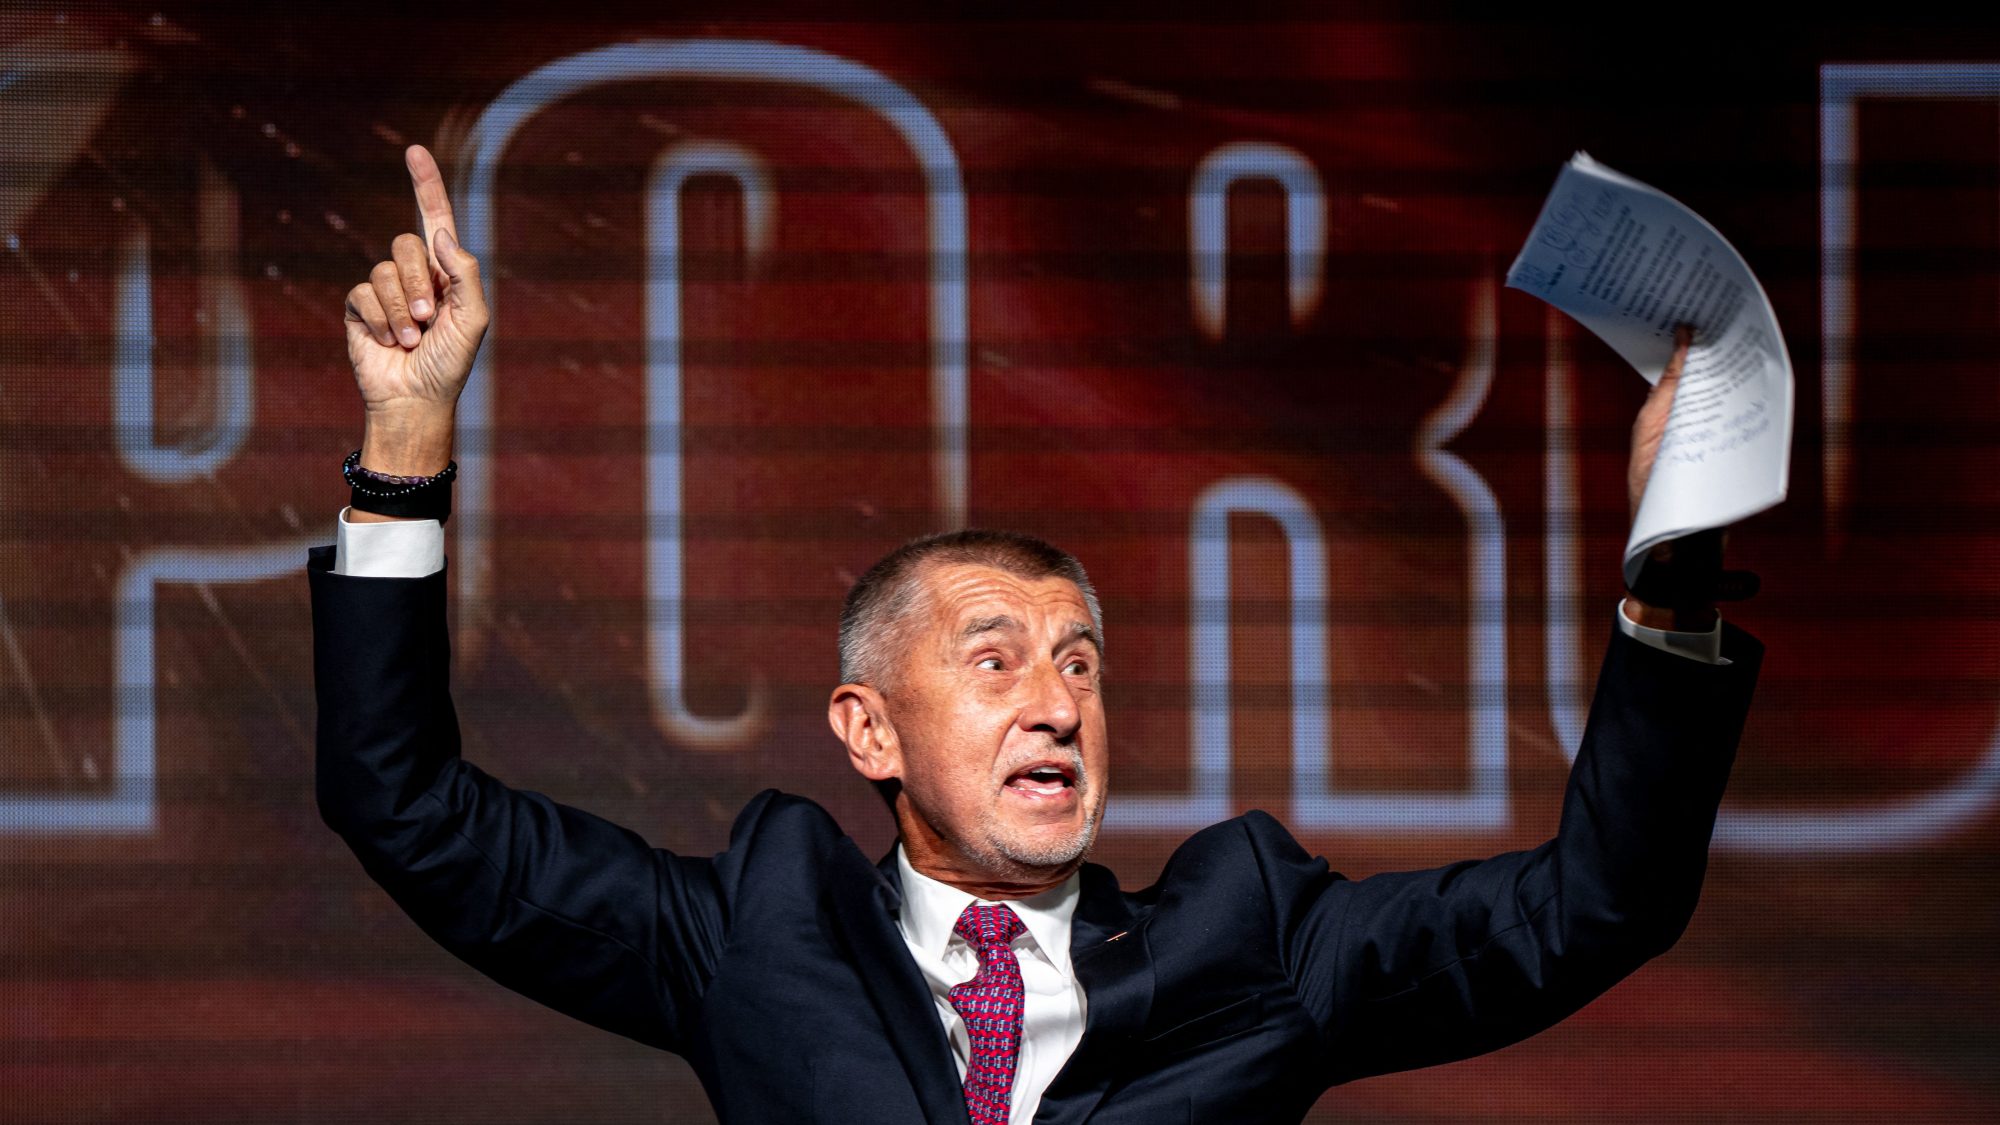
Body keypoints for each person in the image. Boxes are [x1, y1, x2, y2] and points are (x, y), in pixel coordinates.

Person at [311, 146, 1761, 1124]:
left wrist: (1672, 571)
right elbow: (406, 806)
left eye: (1079, 663)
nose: (1059, 704)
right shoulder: (762, 932)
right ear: (868, 728)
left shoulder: (1254, 941)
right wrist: (406, 443)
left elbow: (1599, 902)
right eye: (995, 659)